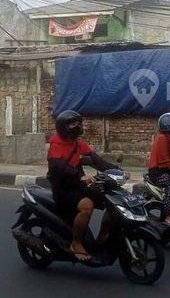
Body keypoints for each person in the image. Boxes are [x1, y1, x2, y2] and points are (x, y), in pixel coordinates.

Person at [47, 110, 122, 262]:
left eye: (79, 123)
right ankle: (76, 243)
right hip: (63, 189)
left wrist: (118, 171)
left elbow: (96, 160)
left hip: (79, 185)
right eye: (74, 124)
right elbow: (59, 167)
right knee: (87, 206)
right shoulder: (56, 144)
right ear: (64, 127)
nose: (78, 126)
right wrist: (80, 176)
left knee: (113, 200)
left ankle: (102, 237)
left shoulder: (77, 144)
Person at [147, 112, 170, 228]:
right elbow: (164, 160)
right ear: (168, 125)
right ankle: (169, 216)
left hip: (166, 170)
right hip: (157, 172)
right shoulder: (162, 138)